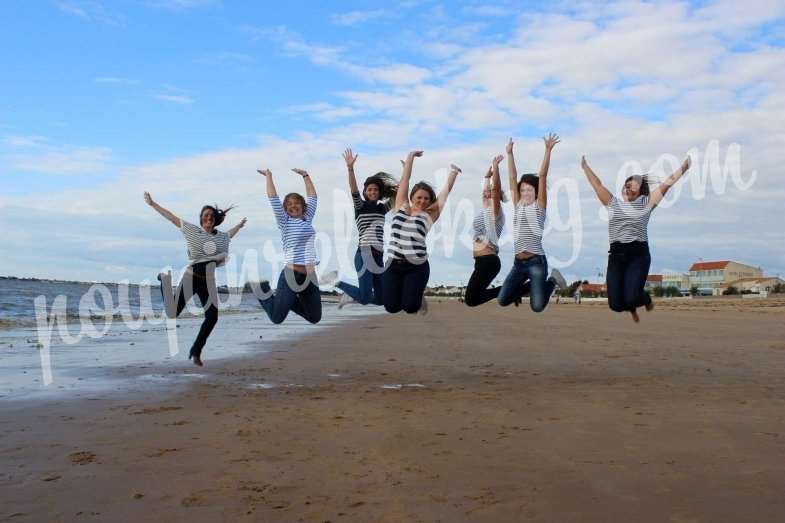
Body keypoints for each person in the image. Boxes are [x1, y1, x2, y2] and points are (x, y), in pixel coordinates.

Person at [581, 155, 691, 322]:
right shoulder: (613, 203)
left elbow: (668, 183)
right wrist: (585, 167)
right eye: (627, 185)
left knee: (632, 297)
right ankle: (631, 307)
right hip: (616, 256)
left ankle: (644, 299)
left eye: (633, 186)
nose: (628, 188)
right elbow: (597, 184)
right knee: (615, 305)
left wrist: (684, 167)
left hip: (638, 256)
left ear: (640, 191)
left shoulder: (646, 203)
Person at [143, 192, 246, 366]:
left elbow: (230, 235)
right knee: (172, 313)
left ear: (215, 219)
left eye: (212, 216)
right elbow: (171, 218)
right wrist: (153, 204)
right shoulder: (192, 231)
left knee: (212, 317)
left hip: (208, 282)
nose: (209, 218)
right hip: (191, 278)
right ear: (200, 219)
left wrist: (239, 226)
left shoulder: (221, 237)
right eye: (206, 216)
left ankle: (196, 350)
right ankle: (164, 280)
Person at [382, 150, 460, 314]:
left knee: (410, 307)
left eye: (426, 198)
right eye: (419, 197)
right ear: (412, 197)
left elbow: (443, 196)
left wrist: (453, 173)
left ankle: (415, 294)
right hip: (392, 265)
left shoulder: (429, 215)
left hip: (416, 266)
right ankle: (410, 291)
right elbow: (404, 181)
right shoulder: (400, 207)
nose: (423, 201)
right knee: (391, 307)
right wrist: (410, 159)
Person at [497, 134, 566, 311]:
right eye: (522, 189)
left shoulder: (540, 206)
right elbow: (512, 178)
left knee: (537, 306)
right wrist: (510, 154)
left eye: (529, 189)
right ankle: (525, 290)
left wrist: (548, 150)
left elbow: (542, 176)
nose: (525, 192)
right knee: (503, 300)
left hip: (536, 262)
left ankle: (552, 280)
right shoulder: (518, 204)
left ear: (535, 191)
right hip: (518, 263)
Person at [330, 148, 398, 308]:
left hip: (379, 256)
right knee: (366, 297)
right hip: (365, 253)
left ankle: (352, 296)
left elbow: (399, 194)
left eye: (375, 189)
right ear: (365, 192)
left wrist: (406, 170)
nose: (373, 191)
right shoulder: (360, 206)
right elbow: (353, 189)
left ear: (379, 192)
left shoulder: (382, 208)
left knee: (381, 299)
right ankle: (336, 282)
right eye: (370, 189)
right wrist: (350, 168)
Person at [256, 167, 322, 324]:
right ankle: (260, 289)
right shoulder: (285, 222)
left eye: (296, 203)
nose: (293, 206)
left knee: (314, 317)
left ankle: (287, 300)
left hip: (310, 277)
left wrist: (306, 175)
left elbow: (313, 196)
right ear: (285, 209)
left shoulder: (307, 218)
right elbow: (273, 198)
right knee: (277, 318)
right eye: (289, 204)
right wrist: (269, 176)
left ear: (302, 206)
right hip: (291, 275)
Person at [464, 155, 506, 307]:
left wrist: (496, 168)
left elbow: (494, 191)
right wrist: (486, 177)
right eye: (485, 193)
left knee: (471, 299)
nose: (486, 194)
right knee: (472, 298)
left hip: (488, 261)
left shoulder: (496, 212)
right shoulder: (485, 211)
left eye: (490, 193)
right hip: (482, 261)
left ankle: (511, 288)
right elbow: (486, 192)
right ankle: (510, 290)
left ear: (497, 197)